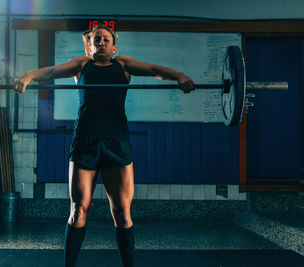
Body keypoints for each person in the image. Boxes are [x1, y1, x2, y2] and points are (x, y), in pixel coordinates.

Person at [14, 25, 195, 267]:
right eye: (96, 40)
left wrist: (179, 76)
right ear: (90, 46)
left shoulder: (123, 64)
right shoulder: (81, 65)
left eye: (106, 40)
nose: (101, 43)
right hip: (85, 143)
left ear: (114, 46)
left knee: (121, 211)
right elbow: (52, 72)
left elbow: (153, 70)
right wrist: (28, 76)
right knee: (78, 210)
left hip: (116, 142)